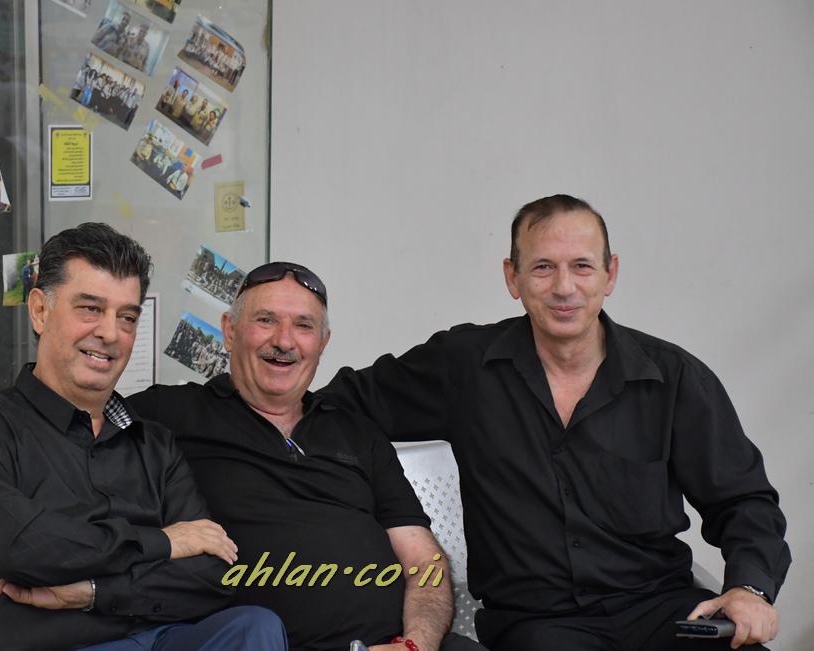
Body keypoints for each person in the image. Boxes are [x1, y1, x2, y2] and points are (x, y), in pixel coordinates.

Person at [0, 257, 482, 651]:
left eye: (303, 325)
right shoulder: (171, 416)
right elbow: (57, 433)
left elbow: (424, 562)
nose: (284, 341)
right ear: (229, 332)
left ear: (323, 341)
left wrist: (415, 642)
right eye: (265, 321)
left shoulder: (356, 430)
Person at [324, 195, 790, 651]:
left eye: (582, 266)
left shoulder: (673, 378)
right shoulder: (463, 366)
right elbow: (335, 404)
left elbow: (743, 500)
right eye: (543, 267)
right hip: (538, 623)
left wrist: (750, 589)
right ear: (513, 277)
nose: (564, 287)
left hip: (660, 609)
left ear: (610, 274)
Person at [0, 223, 287, 650]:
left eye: (127, 317)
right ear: (39, 310)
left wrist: (97, 592)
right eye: (90, 309)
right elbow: (21, 547)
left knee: (253, 627)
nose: (110, 333)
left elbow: (212, 575)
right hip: (44, 645)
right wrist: (162, 542)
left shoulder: (154, 445)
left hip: (155, 638)